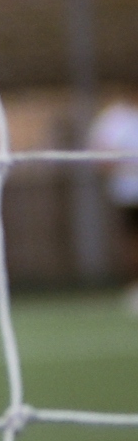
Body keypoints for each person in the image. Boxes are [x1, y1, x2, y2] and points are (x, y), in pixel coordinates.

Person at [94, 88, 138, 308]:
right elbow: (102, 157)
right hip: (129, 192)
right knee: (132, 240)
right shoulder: (115, 117)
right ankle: (134, 288)